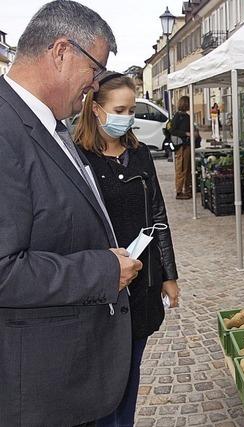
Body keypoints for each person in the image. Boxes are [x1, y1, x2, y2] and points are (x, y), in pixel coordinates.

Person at [0, 1, 142, 426]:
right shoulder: (6, 129)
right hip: (42, 393)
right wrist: (102, 270)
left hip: (73, 379)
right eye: (95, 69)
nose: (94, 84)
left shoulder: (49, 124)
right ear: (61, 51)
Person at [74, 72, 180, 427]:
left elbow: (159, 215)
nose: (127, 117)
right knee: (105, 383)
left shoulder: (139, 155)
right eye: (120, 109)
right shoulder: (78, 158)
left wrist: (169, 274)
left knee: (130, 376)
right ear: (96, 109)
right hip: (101, 290)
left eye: (131, 109)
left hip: (141, 287)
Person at [171, 95, 193, 199]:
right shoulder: (178, 116)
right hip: (181, 146)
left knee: (188, 168)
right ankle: (179, 191)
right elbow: (173, 131)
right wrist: (185, 133)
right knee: (182, 168)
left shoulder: (187, 116)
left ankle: (187, 189)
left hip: (187, 145)